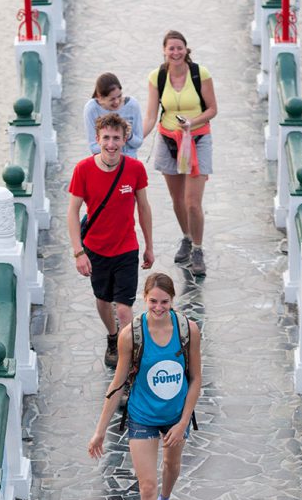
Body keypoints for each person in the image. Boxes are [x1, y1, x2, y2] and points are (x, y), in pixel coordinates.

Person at [88, 272, 201, 500]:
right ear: (145, 298)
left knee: (172, 467)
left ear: (173, 300)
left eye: (165, 302)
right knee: (146, 486)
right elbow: (118, 382)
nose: (159, 307)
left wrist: (182, 422)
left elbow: (196, 380)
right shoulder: (131, 334)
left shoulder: (187, 330)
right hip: (142, 417)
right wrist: (100, 430)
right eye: (153, 301)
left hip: (176, 416)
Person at [68, 113, 154, 368]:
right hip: (95, 248)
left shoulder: (135, 169)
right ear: (98, 139)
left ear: (125, 139)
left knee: (125, 309)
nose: (111, 144)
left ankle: (128, 360)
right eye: (106, 138)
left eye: (116, 138)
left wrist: (149, 245)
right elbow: (72, 212)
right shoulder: (83, 169)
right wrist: (78, 252)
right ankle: (112, 336)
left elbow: (144, 207)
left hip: (127, 247)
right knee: (103, 300)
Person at [142, 30, 218, 278]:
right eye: (171, 48)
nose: (175, 52)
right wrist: (134, 137)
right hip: (169, 140)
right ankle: (186, 236)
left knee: (192, 202)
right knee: (177, 199)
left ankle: (197, 248)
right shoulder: (157, 76)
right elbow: (152, 115)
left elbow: (213, 109)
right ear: (164, 51)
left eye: (179, 48)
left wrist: (192, 123)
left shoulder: (199, 74)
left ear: (186, 50)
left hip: (197, 139)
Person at [84, 72, 143, 158]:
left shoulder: (132, 105)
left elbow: (138, 143)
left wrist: (128, 135)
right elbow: (93, 147)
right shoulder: (91, 108)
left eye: (119, 96)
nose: (117, 102)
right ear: (100, 98)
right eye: (112, 99)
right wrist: (112, 142)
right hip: (105, 162)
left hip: (129, 160)